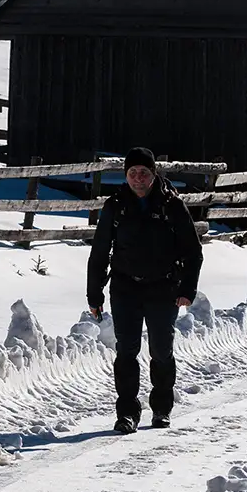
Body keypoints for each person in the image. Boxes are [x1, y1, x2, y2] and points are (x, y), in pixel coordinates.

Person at [87, 148, 203, 434]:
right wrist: (94, 293)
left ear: (154, 174)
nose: (138, 178)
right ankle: (127, 413)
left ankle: (161, 408)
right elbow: (100, 252)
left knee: (161, 350)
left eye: (144, 173)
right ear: (125, 175)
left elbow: (193, 251)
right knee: (126, 350)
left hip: (163, 287)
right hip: (125, 287)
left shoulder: (171, 206)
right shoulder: (115, 206)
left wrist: (187, 288)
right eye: (132, 173)